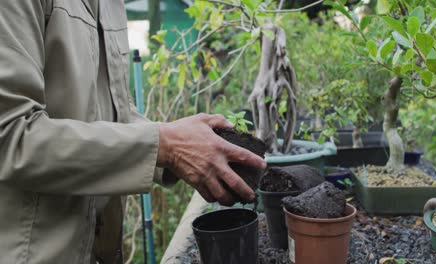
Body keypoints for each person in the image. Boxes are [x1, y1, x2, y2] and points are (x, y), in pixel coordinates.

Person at [0, 1, 266, 263]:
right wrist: (164, 146)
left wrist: (184, 143)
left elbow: (113, 110)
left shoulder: (111, 6)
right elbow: (13, 136)